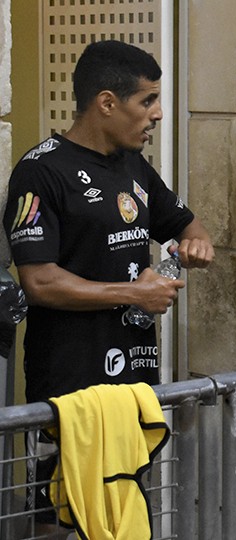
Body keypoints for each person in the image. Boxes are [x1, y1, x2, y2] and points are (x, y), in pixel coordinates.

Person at [4, 39, 214, 531]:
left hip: (133, 387)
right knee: (59, 518)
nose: (158, 114)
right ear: (106, 102)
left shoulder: (134, 166)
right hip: (67, 388)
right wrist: (133, 294)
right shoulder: (40, 172)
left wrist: (195, 246)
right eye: (147, 101)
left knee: (122, 509)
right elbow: (38, 281)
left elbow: (189, 227)